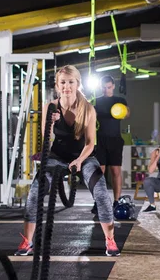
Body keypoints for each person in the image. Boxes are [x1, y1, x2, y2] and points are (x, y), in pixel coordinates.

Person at [15, 65, 120, 257]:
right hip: (57, 158)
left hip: (84, 157)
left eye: (71, 82)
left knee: (101, 192)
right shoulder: (50, 107)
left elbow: (90, 143)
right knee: (35, 193)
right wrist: (51, 123)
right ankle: (27, 241)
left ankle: (110, 240)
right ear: (57, 85)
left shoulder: (88, 109)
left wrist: (80, 161)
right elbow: (46, 140)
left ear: (77, 84)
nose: (67, 87)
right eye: (63, 82)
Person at [91, 75, 130, 215]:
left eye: (108, 87)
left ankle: (116, 201)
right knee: (99, 173)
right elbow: (89, 117)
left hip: (115, 140)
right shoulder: (96, 101)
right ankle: (98, 201)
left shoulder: (119, 100)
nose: (106, 90)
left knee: (115, 171)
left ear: (113, 86)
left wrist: (122, 111)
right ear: (100, 87)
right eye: (104, 87)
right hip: (100, 140)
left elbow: (127, 114)